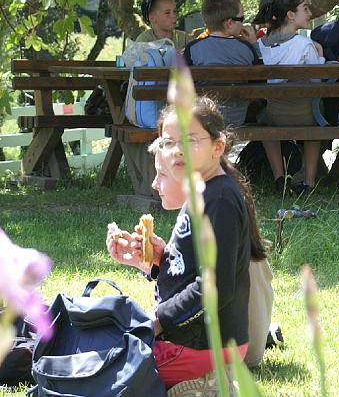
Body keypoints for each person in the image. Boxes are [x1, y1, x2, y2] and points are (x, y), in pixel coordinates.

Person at [106, 97, 254, 389]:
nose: (177, 150)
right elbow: (189, 268)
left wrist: (158, 321)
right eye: (169, 142)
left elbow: (215, 287)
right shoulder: (202, 193)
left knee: (112, 374)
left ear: (217, 147)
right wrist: (157, 258)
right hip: (194, 341)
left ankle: (209, 385)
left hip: (205, 345)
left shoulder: (219, 199)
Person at [257, 0, 325, 195]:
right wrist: (321, 55)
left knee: (264, 122)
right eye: (305, 8)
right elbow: (317, 82)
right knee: (316, 122)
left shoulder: (259, 46)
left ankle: (280, 178)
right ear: (290, 15)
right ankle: (309, 182)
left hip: (275, 115)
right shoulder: (305, 45)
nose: (310, 13)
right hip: (305, 115)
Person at [183, 0, 259, 127]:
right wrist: (254, 44)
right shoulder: (246, 48)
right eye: (241, 18)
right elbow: (259, 84)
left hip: (205, 118)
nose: (243, 23)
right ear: (229, 23)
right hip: (238, 117)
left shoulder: (193, 48)